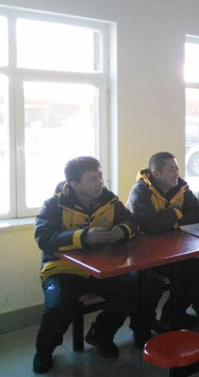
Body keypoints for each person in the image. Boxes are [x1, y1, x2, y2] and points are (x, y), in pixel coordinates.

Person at [33, 157, 150, 374]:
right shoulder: (54, 205)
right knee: (58, 306)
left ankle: (100, 335)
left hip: (102, 268)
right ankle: (44, 350)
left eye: (100, 177)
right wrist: (82, 237)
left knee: (131, 289)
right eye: (92, 179)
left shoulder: (109, 200)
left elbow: (132, 222)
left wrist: (122, 230)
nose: (99, 183)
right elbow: (43, 238)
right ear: (75, 184)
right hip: (62, 269)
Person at [127, 152, 199, 326]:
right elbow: (149, 225)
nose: (177, 173)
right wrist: (176, 212)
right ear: (156, 173)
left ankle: (173, 314)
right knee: (150, 284)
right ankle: (141, 328)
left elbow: (197, 213)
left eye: (177, 169)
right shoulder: (140, 191)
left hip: (172, 250)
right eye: (171, 169)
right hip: (142, 255)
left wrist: (169, 221)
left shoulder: (181, 187)